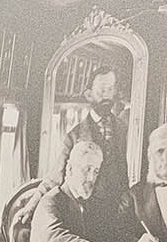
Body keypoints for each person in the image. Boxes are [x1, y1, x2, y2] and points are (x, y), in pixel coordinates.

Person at [46, 66, 131, 206]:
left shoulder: (125, 129)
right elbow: (55, 177)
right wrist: (31, 206)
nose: (106, 95)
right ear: (88, 94)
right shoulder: (74, 135)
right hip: (87, 211)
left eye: (110, 89)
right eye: (102, 89)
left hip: (120, 212)